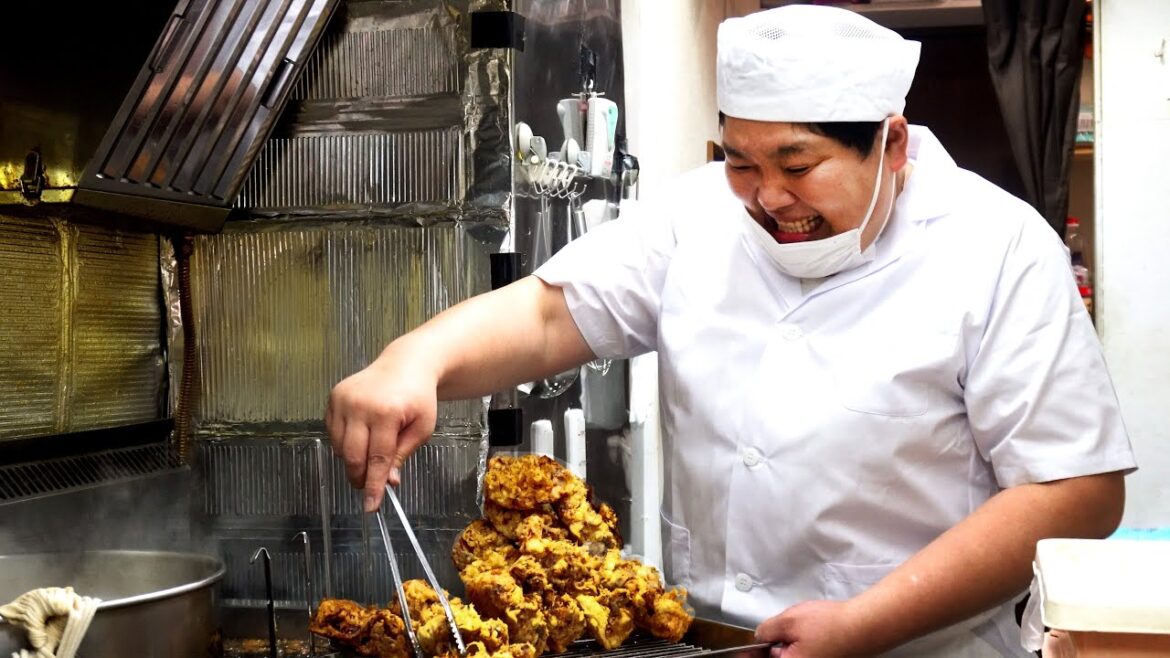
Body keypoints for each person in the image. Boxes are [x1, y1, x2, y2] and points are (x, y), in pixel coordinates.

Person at [326, 5, 1136, 657]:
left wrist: (866, 624)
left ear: (891, 144)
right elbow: (547, 314)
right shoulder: (699, 213)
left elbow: (1075, 491)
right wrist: (417, 358)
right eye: (742, 161)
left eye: (798, 165)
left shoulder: (997, 248)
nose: (768, 197)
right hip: (711, 641)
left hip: (920, 644)